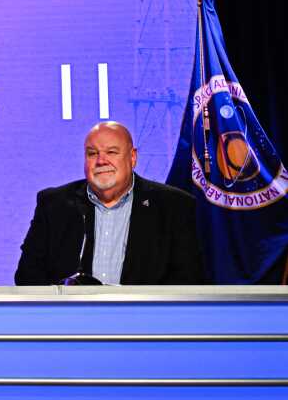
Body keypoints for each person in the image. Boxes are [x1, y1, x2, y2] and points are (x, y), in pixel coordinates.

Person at [14, 121, 205, 285]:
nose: (101, 161)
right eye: (92, 153)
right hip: (70, 322)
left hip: (145, 322)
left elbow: (188, 279)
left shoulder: (174, 206)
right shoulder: (54, 205)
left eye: (111, 152)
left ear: (132, 157)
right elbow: (27, 277)